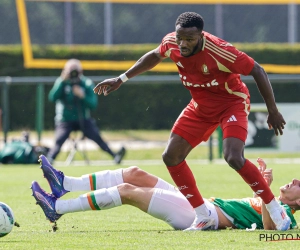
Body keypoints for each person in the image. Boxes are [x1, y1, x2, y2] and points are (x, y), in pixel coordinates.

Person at [93, 12, 289, 230]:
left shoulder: (221, 51)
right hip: (200, 106)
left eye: (190, 39)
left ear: (201, 36)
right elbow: (155, 55)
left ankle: (273, 207)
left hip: (231, 103)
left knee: (233, 156)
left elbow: (257, 70)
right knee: (171, 156)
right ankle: (203, 214)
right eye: (180, 38)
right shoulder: (171, 42)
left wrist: (273, 110)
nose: (183, 44)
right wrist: (121, 79)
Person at [31, 155, 298, 231]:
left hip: (203, 217)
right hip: (201, 204)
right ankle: (66, 184)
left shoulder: (286, 213)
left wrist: (266, 194)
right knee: (135, 173)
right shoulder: (277, 203)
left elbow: (270, 230)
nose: (295, 179)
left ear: (298, 201)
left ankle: (58, 209)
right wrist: (265, 189)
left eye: (299, 184)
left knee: (127, 191)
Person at [47, 59, 126, 165]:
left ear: (81, 72)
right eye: (71, 71)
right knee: (59, 140)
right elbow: (52, 97)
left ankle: (114, 155)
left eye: (76, 71)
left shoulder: (86, 83)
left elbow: (93, 104)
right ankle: (49, 159)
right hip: (65, 119)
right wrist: (62, 80)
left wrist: (82, 96)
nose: (73, 74)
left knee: (97, 137)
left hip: (83, 118)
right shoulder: (61, 82)